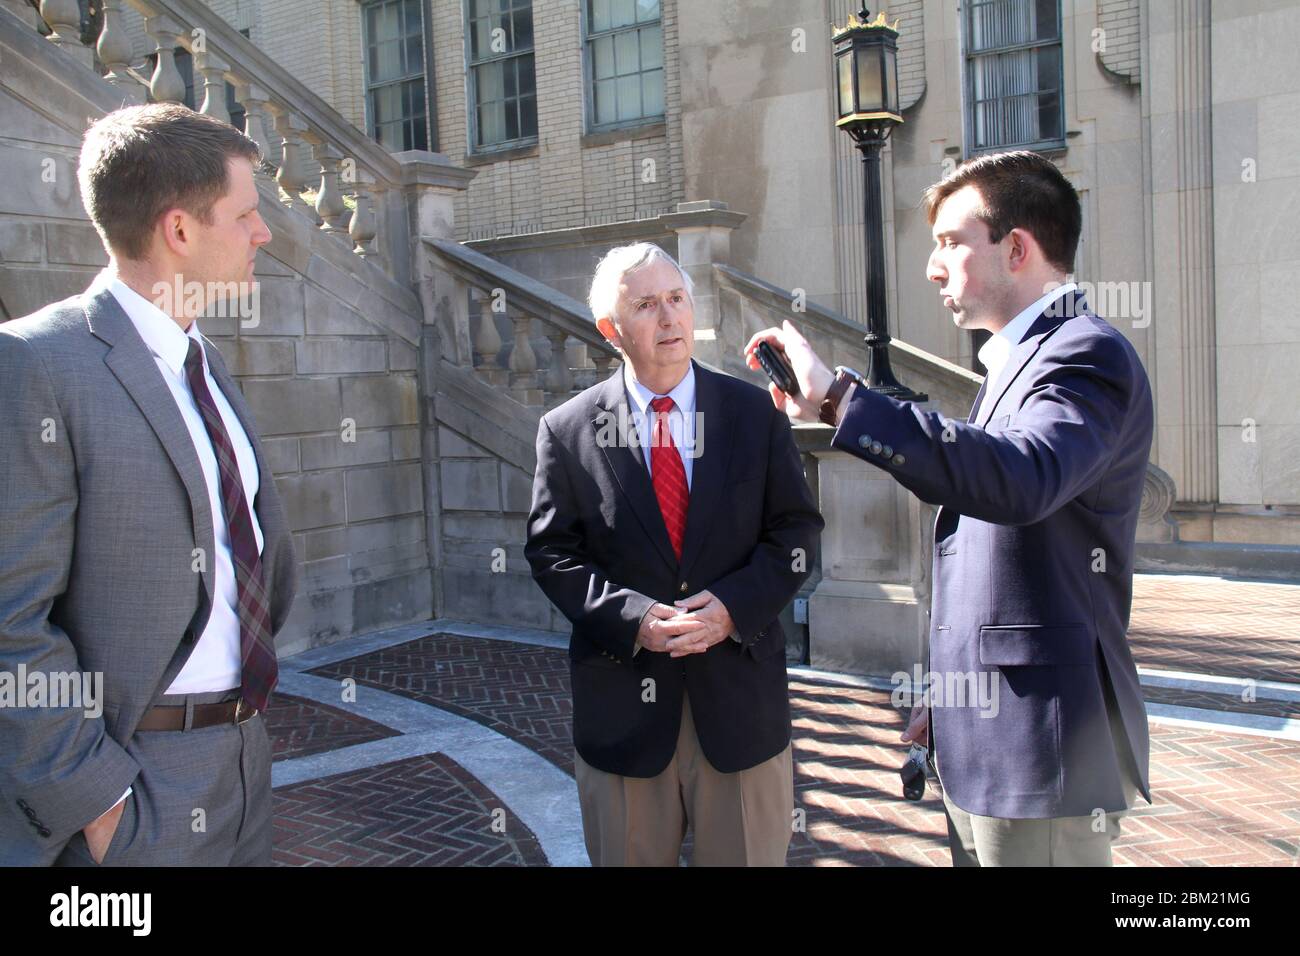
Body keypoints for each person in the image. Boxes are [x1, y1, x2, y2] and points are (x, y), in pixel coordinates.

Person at [745, 150, 1152, 866]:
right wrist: (955, 694)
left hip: (1043, 758)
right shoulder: (1017, 365)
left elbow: (1019, 480)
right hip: (991, 738)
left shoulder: (1086, 354)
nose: (934, 268)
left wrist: (843, 400)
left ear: (1018, 247)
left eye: (950, 243)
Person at [0, 103, 299, 866]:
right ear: (178, 230)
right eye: (246, 214)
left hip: (243, 764)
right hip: (132, 791)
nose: (262, 233)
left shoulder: (205, 363)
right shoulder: (35, 364)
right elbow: (11, 619)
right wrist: (97, 803)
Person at [526, 243, 823, 866]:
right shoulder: (568, 429)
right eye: (646, 305)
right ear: (612, 330)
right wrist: (633, 619)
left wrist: (733, 608)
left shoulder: (752, 413)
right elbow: (553, 554)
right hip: (623, 717)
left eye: (677, 299)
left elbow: (796, 534)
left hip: (739, 707)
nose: (668, 319)